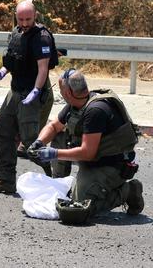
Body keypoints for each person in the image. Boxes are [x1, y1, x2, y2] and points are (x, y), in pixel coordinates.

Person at [28, 69, 144, 223]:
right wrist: (39, 142)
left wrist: (54, 153)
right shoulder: (76, 103)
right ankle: (61, 182)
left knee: (80, 208)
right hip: (93, 159)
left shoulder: (95, 111)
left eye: (60, 88)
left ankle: (129, 191)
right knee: (61, 134)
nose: (60, 91)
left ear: (68, 92)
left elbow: (88, 152)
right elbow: (54, 126)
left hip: (112, 165)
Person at [0, 0, 57, 193]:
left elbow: (43, 68)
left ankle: (55, 177)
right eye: (21, 19)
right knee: (3, 130)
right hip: (15, 91)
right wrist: (3, 71)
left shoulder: (41, 37)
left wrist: (37, 90)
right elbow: (13, 59)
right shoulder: (16, 33)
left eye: (28, 19)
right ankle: (6, 180)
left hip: (32, 92)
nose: (24, 23)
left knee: (31, 140)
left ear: (35, 16)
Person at [16, 0, 55, 159]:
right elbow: (25, 32)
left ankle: (24, 141)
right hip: (32, 61)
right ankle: (29, 142)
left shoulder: (31, 1)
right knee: (44, 98)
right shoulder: (29, 3)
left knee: (36, 99)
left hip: (35, 57)